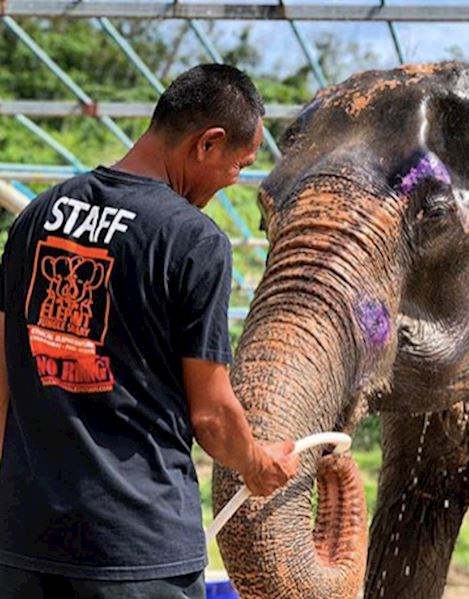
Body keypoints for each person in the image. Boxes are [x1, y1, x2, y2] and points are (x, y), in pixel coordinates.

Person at [0, 64, 299, 598]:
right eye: (239, 165)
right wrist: (257, 462)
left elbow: (4, 373)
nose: (234, 181)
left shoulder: (35, 218)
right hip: (137, 553)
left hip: (25, 544)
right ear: (208, 144)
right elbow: (209, 414)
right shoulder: (193, 242)